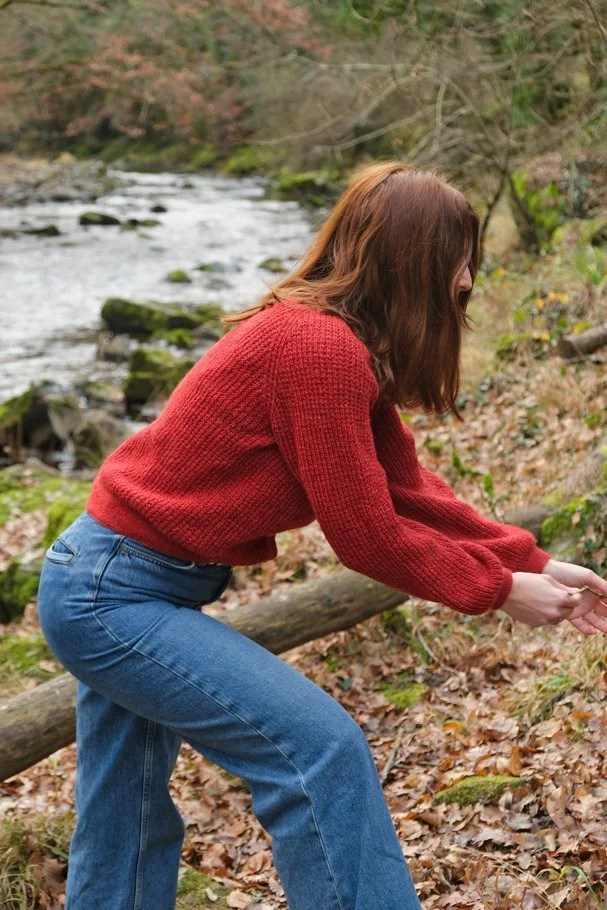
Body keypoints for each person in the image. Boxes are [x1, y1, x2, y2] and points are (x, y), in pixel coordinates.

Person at [37, 161, 607, 910]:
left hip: (120, 581)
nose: (468, 277)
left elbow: (407, 492)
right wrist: (498, 591)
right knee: (317, 754)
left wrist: (527, 559)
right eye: (459, 256)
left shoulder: (336, 346)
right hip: (112, 593)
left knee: (126, 816)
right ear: (412, 258)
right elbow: (365, 534)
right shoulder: (317, 350)